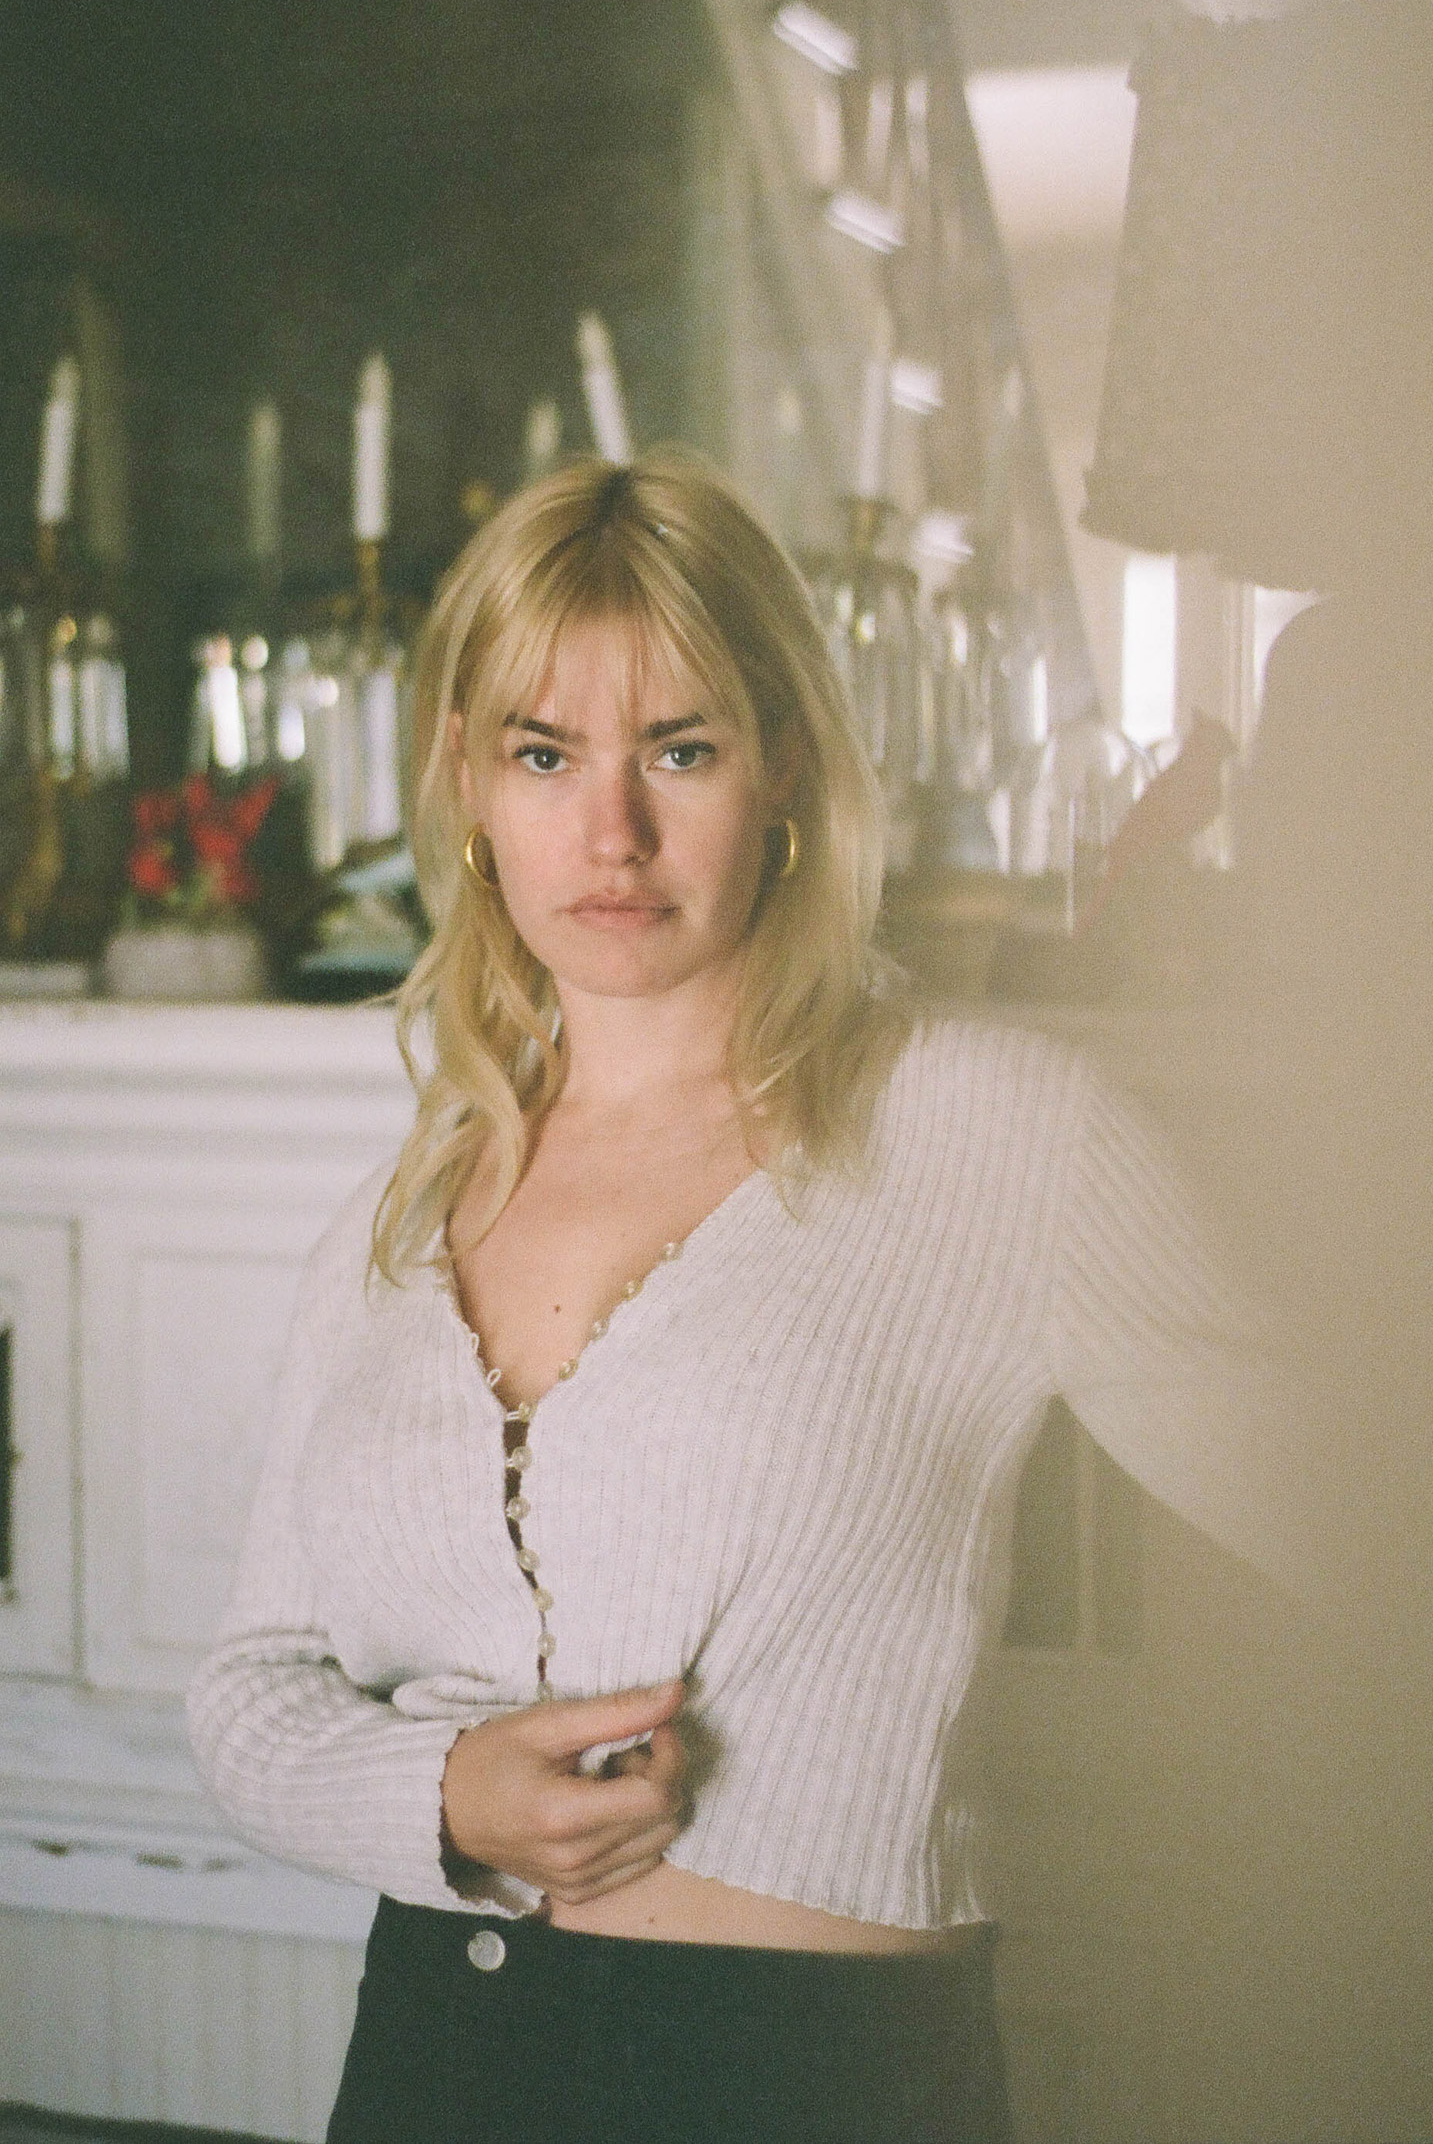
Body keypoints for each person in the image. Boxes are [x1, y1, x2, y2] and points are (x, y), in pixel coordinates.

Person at [187, 451, 1303, 2144]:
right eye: (545, 754)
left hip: (813, 2078)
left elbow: (1407, 1558)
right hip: (435, 2060)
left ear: (782, 762)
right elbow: (250, 1686)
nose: (612, 832)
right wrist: (443, 1792)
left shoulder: (1000, 1133)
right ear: (468, 783)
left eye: (680, 749)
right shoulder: (395, 1218)